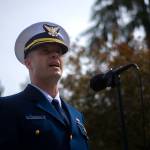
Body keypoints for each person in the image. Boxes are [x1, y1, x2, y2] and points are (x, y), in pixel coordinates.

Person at [0, 22, 89, 150]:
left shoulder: (77, 116)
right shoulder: (7, 108)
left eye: (59, 52)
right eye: (45, 51)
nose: (55, 55)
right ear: (28, 63)